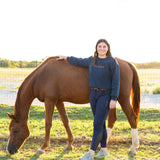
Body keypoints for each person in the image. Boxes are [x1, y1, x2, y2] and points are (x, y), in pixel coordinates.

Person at [57, 39, 120, 160]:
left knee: (97, 123)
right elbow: (78, 61)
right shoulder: (92, 60)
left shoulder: (112, 62)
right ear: (96, 48)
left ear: (108, 48)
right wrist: (66, 57)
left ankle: (91, 153)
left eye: (104, 46)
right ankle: (104, 150)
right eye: (99, 46)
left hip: (105, 95)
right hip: (93, 94)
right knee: (100, 122)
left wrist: (113, 98)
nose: (101, 48)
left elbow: (116, 81)